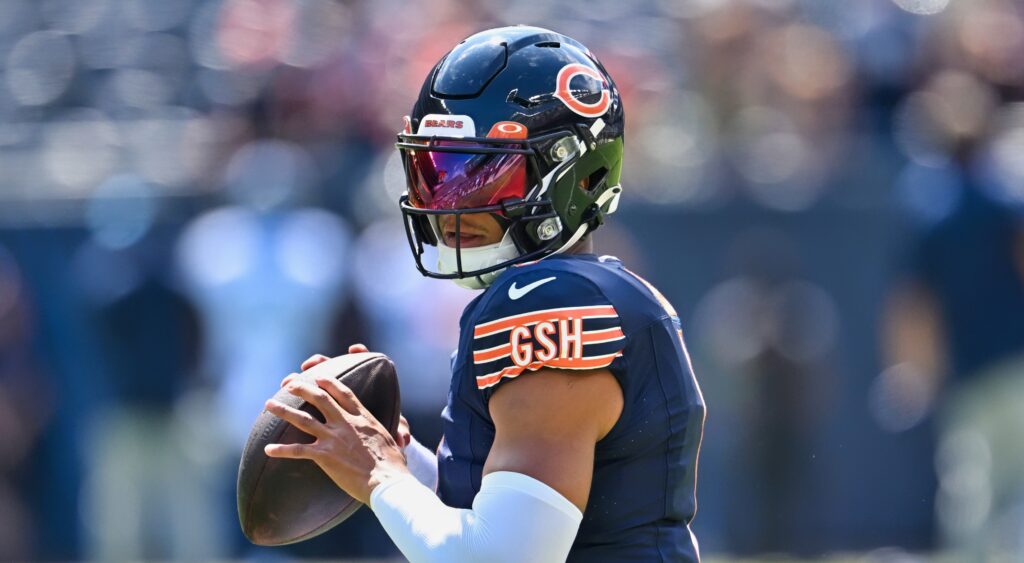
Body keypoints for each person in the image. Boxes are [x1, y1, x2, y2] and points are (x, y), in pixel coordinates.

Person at [265, 26, 707, 562]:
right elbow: (495, 518)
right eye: (435, 171)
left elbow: (499, 557)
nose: (450, 201)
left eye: (484, 173)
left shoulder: (548, 303)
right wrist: (401, 456)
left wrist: (380, 475)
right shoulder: (588, 290)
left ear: (575, 172)